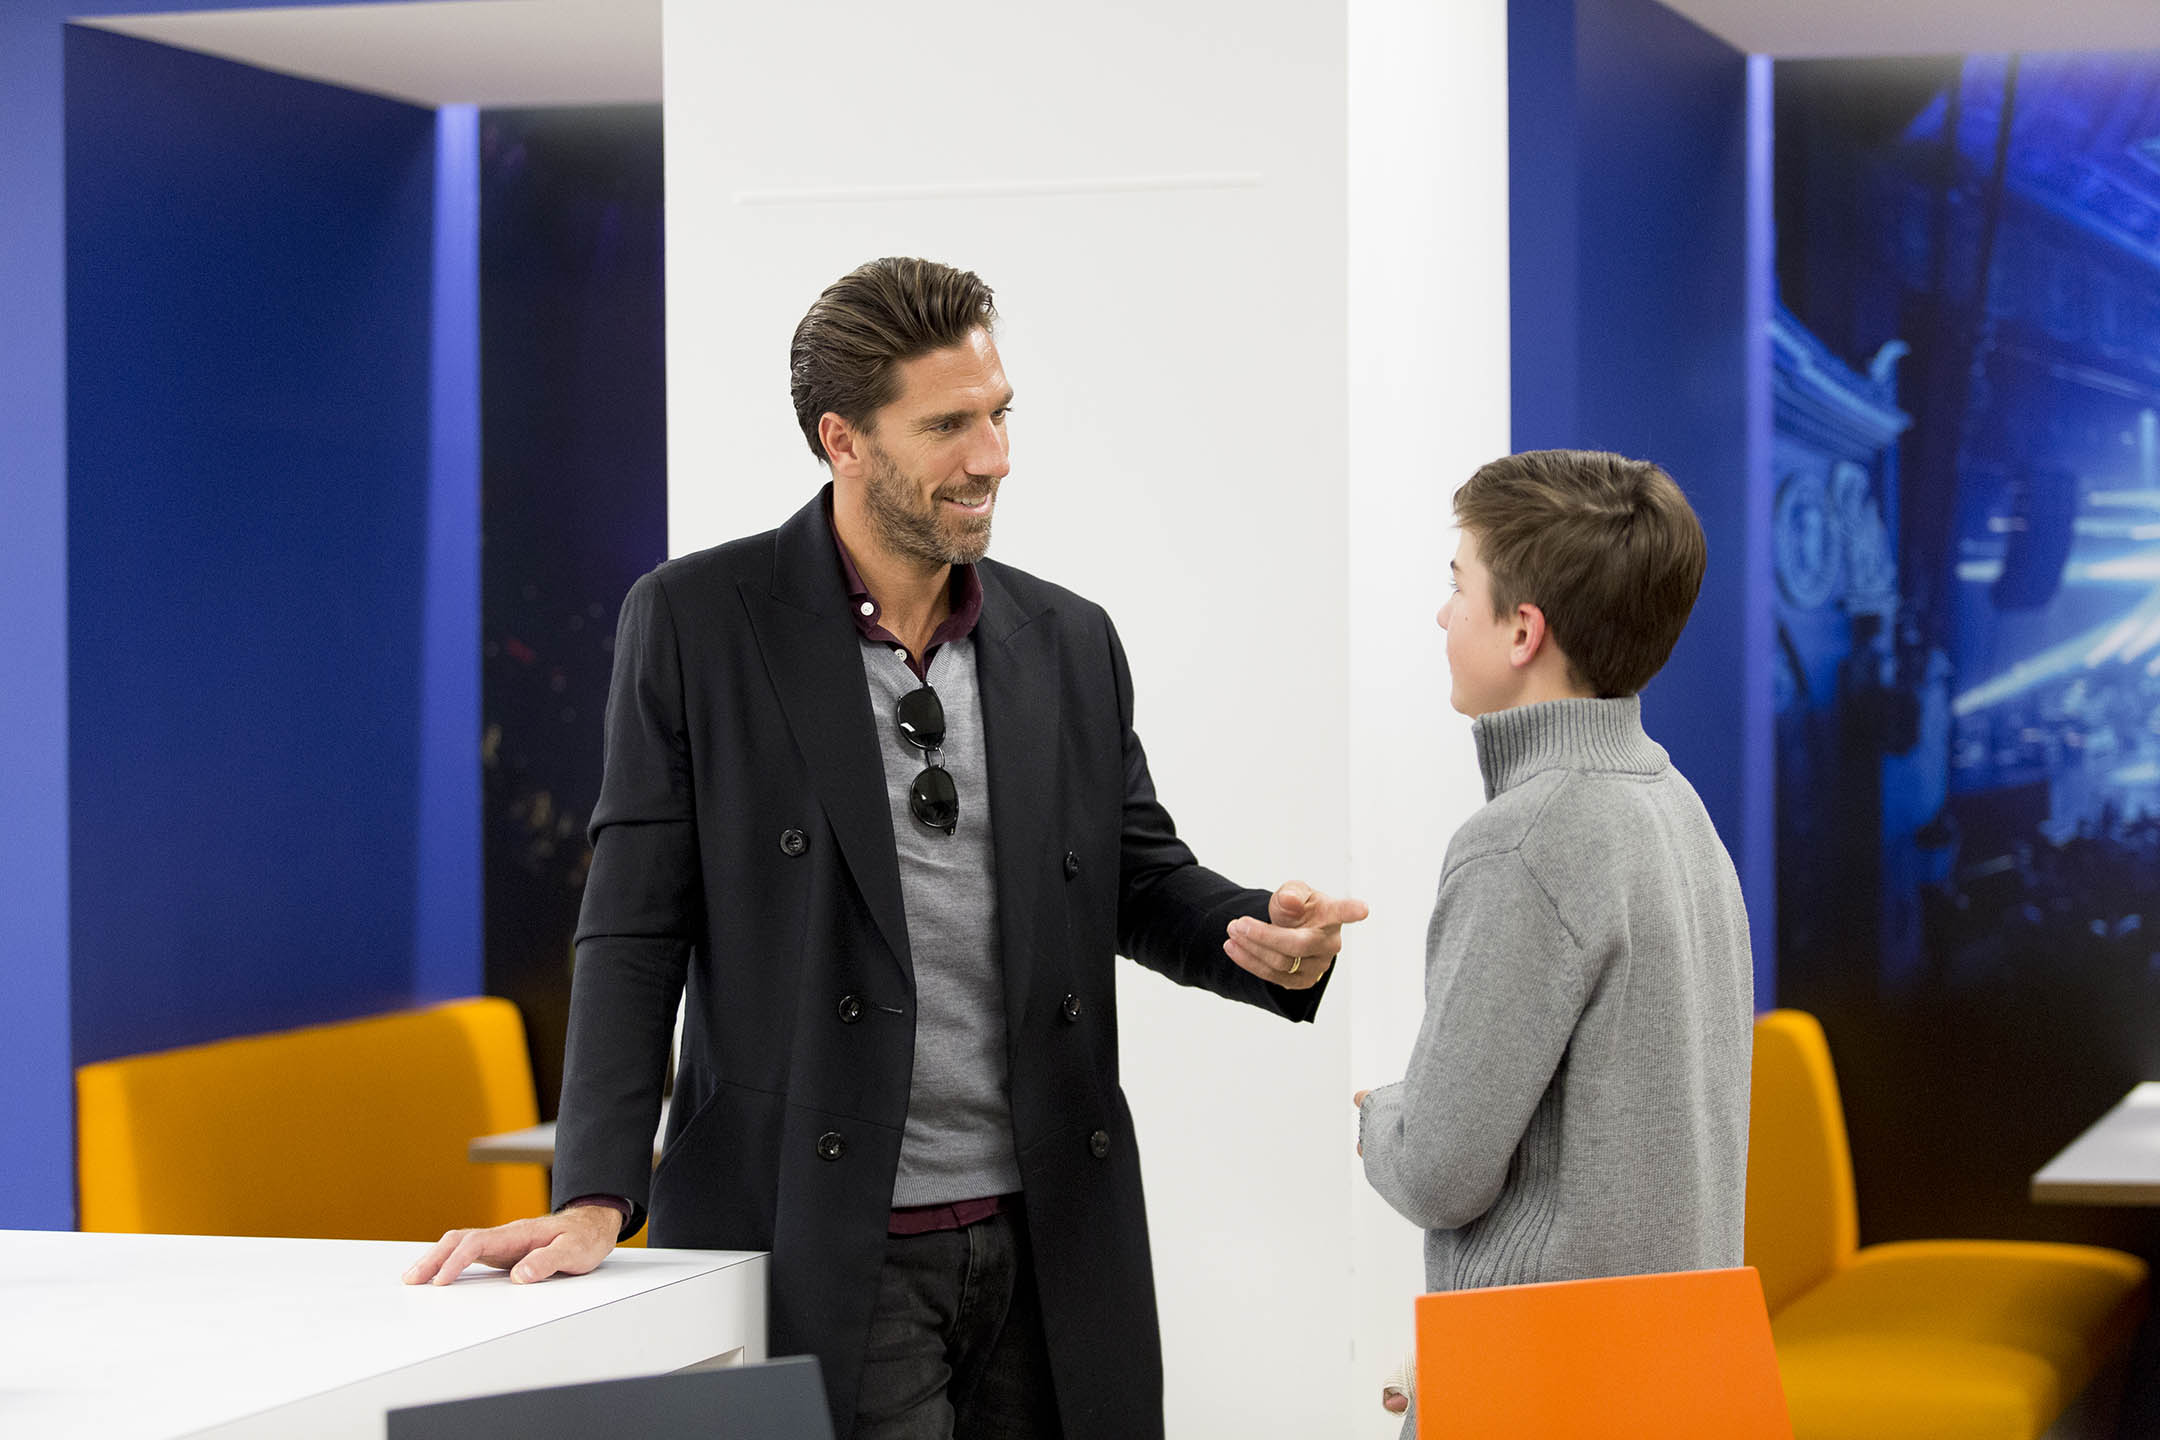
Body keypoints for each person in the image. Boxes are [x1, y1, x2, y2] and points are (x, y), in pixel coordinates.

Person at [405, 256, 1369, 1440]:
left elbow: (1130, 871)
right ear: (843, 440)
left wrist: (1259, 938)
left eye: (1001, 414)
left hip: (1049, 1230)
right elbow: (634, 922)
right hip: (821, 1226)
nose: (994, 455)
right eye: (949, 425)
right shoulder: (699, 622)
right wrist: (599, 1188)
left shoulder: (1067, 638)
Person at [1353, 450, 1753, 1425]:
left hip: (1544, 1395)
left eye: (1460, 587)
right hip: (1668, 1383)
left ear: (1524, 630)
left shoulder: (1523, 843)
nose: (1444, 614)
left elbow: (1442, 1170)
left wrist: (1381, 1115)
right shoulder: (1679, 810)